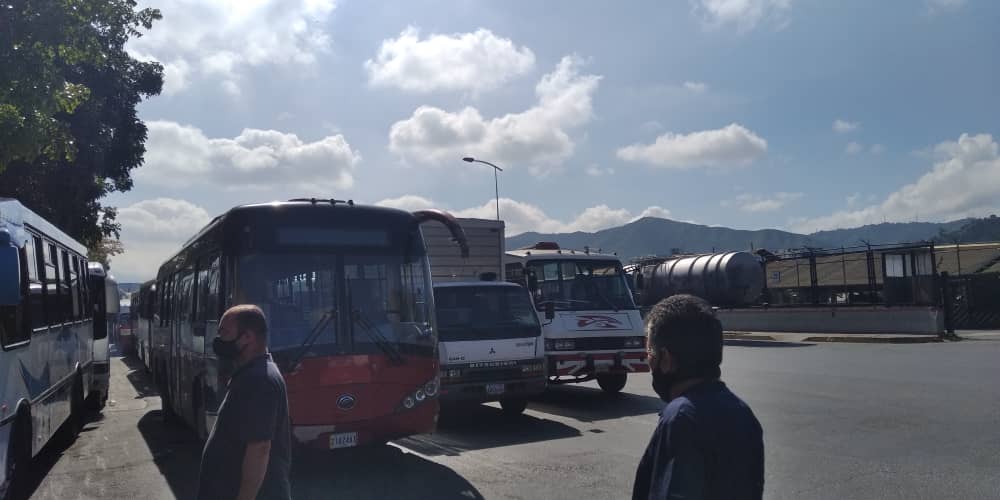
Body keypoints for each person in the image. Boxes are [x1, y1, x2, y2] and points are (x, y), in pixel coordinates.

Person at [633, 295, 764, 500]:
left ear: (666, 359)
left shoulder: (681, 418)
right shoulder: (743, 413)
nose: (649, 361)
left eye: (650, 352)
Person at [198, 304, 292, 500]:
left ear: (247, 337)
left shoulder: (259, 380)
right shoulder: (252, 374)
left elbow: (260, 448)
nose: (218, 340)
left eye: (224, 333)